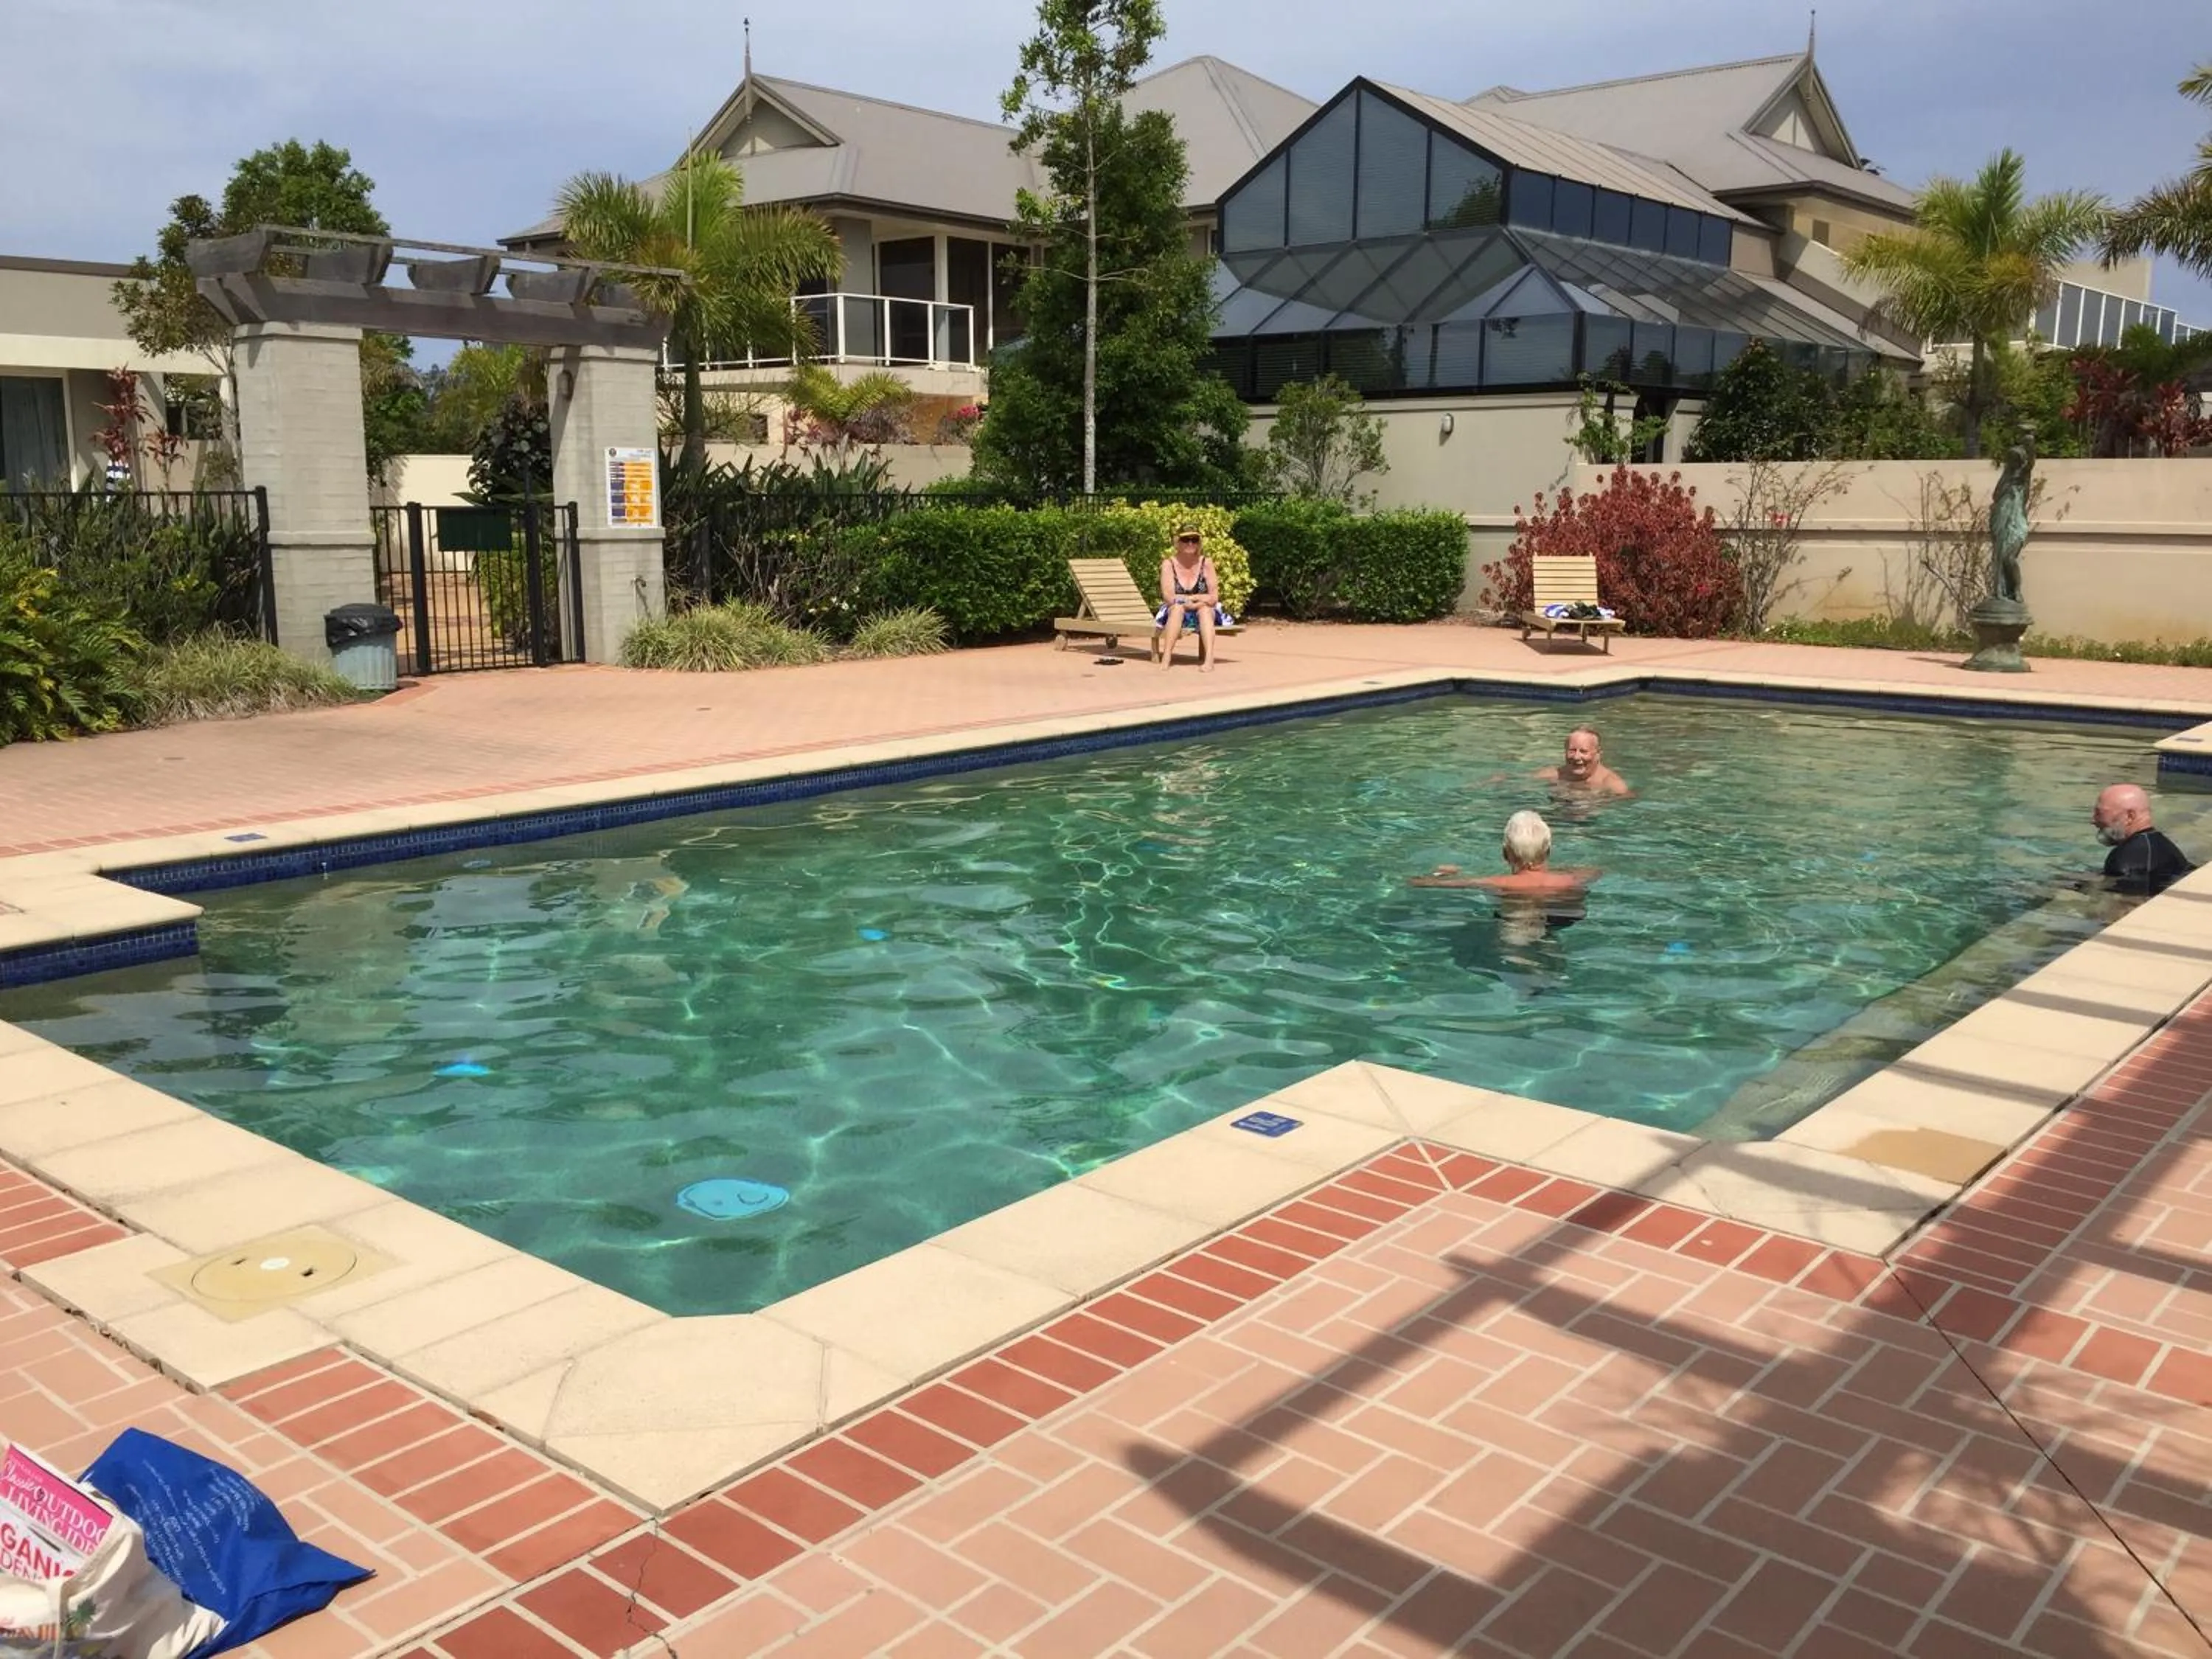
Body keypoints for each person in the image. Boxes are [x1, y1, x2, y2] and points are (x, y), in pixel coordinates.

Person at [1411, 810, 1600, 898]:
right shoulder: (1571, 880)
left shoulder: (1496, 882)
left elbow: (1419, 883)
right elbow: (1595, 872)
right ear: (1549, 850)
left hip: (1512, 927)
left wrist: (1441, 874)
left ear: (1504, 852)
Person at [2093, 783, 2194, 897]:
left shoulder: (2124, 859)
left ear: (2130, 816)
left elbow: (2122, 906)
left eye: (2099, 813)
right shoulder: (2165, 847)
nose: (2093, 820)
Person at [1157, 523, 1229, 673]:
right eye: (1186, 540)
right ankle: (1167, 656)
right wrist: (1189, 601)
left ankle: (1209, 659)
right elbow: (1169, 597)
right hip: (1175, 610)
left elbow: (1214, 597)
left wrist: (1194, 599)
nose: (1191, 543)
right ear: (1178, 542)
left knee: (1205, 610)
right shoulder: (1168, 564)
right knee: (1176, 608)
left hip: (1202, 608)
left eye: (1194, 540)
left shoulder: (1206, 563)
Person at [1535, 726, 1632, 798]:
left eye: (1584, 751)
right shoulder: (1552, 775)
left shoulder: (1613, 785)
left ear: (1598, 754)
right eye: (1572, 751)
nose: (1577, 757)